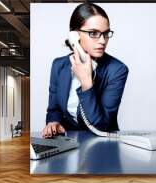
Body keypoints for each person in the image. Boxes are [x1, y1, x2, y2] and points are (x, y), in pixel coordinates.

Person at [41, 3, 129, 138]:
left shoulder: (117, 70)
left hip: (103, 146)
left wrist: (86, 83)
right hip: (68, 142)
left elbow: (102, 126)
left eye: (105, 33)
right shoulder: (59, 65)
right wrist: (54, 122)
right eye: (93, 33)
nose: (102, 40)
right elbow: (54, 109)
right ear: (74, 35)